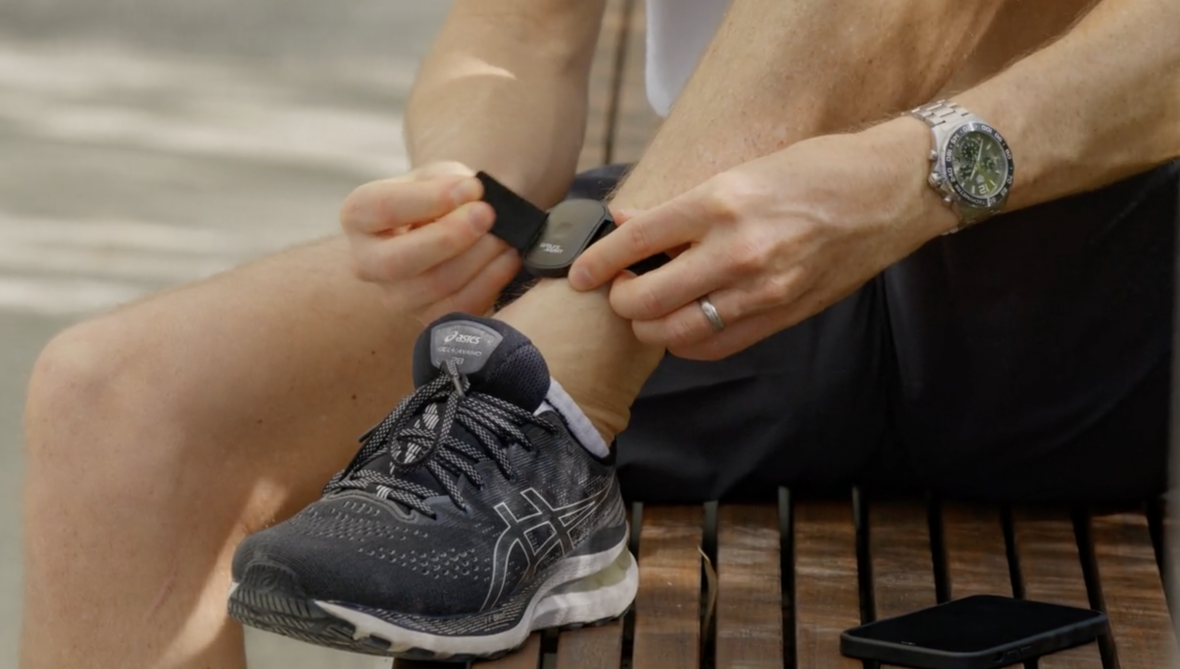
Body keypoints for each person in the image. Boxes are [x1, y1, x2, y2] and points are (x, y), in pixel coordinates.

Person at [19, 0, 1180, 666]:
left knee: (567, 342)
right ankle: (552, 383)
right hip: (735, 236)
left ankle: (557, 390)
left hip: (1075, 231)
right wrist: (467, 186)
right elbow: (516, 40)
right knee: (114, 402)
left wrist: (917, 168)